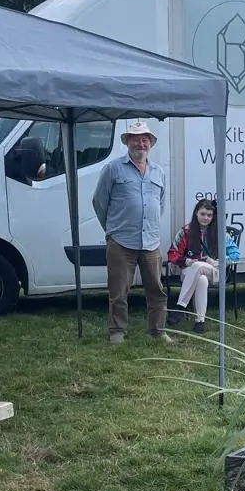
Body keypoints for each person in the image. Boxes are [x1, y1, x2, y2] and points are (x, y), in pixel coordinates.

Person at [92, 119, 169, 343]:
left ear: (151, 144)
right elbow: (99, 202)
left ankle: (158, 331)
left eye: (145, 140)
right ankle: (117, 331)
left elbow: (160, 204)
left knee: (156, 290)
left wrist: (149, 225)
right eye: (135, 139)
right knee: (118, 290)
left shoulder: (159, 172)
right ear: (127, 142)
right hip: (121, 241)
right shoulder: (113, 168)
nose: (140, 144)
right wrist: (112, 230)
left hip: (151, 241)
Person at [167, 198, 222, 334]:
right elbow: (172, 254)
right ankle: (199, 323)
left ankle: (180, 307)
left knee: (199, 266)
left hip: (215, 272)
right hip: (189, 271)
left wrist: (217, 261)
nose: (206, 218)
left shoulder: (220, 232)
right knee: (201, 279)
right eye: (203, 214)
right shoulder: (185, 232)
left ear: (213, 217)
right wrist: (187, 261)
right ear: (196, 212)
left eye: (209, 215)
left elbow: (235, 255)